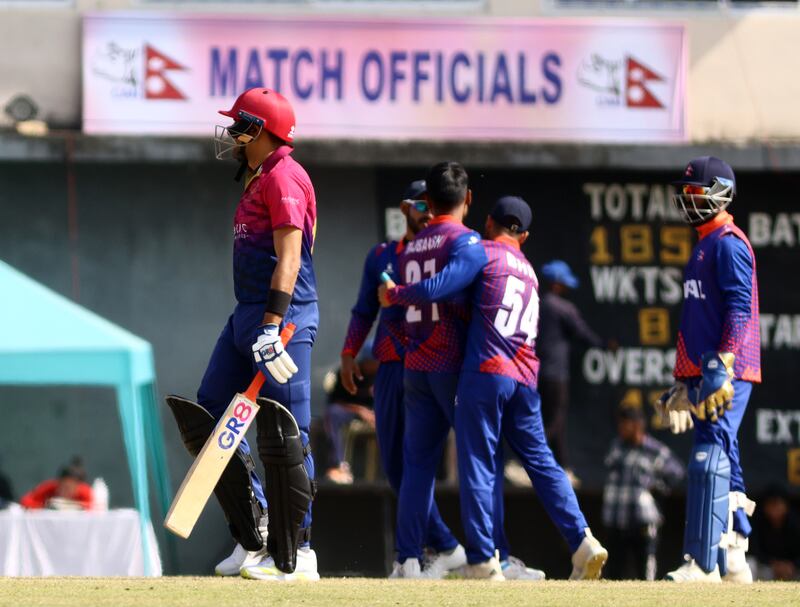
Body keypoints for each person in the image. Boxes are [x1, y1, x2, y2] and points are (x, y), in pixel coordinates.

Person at [382, 194, 608, 581]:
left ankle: (484, 558)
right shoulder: (531, 271)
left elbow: (440, 286)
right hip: (526, 375)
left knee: (479, 464)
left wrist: (397, 294)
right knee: (542, 461)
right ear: (525, 235)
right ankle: (582, 539)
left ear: (488, 223)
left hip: (486, 372)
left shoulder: (482, 252)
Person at [169, 87, 319, 581]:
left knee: (285, 430)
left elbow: (291, 259)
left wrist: (274, 327)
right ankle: (254, 531)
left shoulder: (285, 176)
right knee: (210, 406)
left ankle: (298, 552)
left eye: (238, 126)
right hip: (246, 315)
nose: (232, 134)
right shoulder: (258, 179)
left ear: (258, 130)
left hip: (283, 316)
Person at [339, 180, 465, 572]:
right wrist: (348, 352)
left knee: (419, 462)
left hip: (431, 366)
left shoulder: (447, 252)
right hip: (392, 368)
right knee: (396, 468)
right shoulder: (382, 255)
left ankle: (427, 553)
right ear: (405, 207)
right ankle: (443, 546)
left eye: (431, 206)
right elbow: (363, 310)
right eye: (418, 205)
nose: (425, 213)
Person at [656, 156, 761, 583]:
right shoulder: (702, 244)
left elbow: (740, 308)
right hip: (705, 372)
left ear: (721, 193)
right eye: (685, 194)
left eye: (696, 193)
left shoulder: (729, 243)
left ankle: (702, 563)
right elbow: (693, 321)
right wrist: (684, 379)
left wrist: (725, 364)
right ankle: (735, 554)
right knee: (724, 455)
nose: (689, 201)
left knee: (709, 457)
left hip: (727, 371)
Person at [537, 259, 604, 486]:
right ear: (556, 284)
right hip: (556, 374)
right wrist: (604, 344)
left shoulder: (538, 304)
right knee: (554, 419)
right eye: (564, 284)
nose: (566, 288)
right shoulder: (562, 308)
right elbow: (583, 333)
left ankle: (563, 469)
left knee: (556, 421)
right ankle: (530, 462)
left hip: (536, 373)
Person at [603, 405, 685, 580]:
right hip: (616, 518)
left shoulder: (654, 450)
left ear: (637, 425)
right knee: (614, 571)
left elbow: (677, 472)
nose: (622, 429)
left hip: (643, 520)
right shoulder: (616, 446)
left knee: (645, 571)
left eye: (625, 425)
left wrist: (659, 487)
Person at [323, 351, 378, 484]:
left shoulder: (384, 375)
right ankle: (338, 465)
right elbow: (334, 402)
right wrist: (360, 410)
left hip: (376, 416)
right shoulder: (348, 372)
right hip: (349, 412)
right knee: (333, 413)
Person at [750, 485, 800, 581]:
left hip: (793, 570)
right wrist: (774, 564)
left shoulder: (796, 523)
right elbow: (755, 550)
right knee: (750, 563)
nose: (775, 509)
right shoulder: (759, 523)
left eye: (777, 504)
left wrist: (792, 565)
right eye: (771, 505)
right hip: (768, 569)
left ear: (786, 506)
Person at [21, 458, 93, 510]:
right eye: (63, 486)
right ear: (58, 483)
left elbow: (92, 508)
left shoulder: (85, 492)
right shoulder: (49, 487)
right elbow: (26, 501)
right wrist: (44, 506)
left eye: (69, 488)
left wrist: (77, 507)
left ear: (77, 486)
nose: (65, 491)